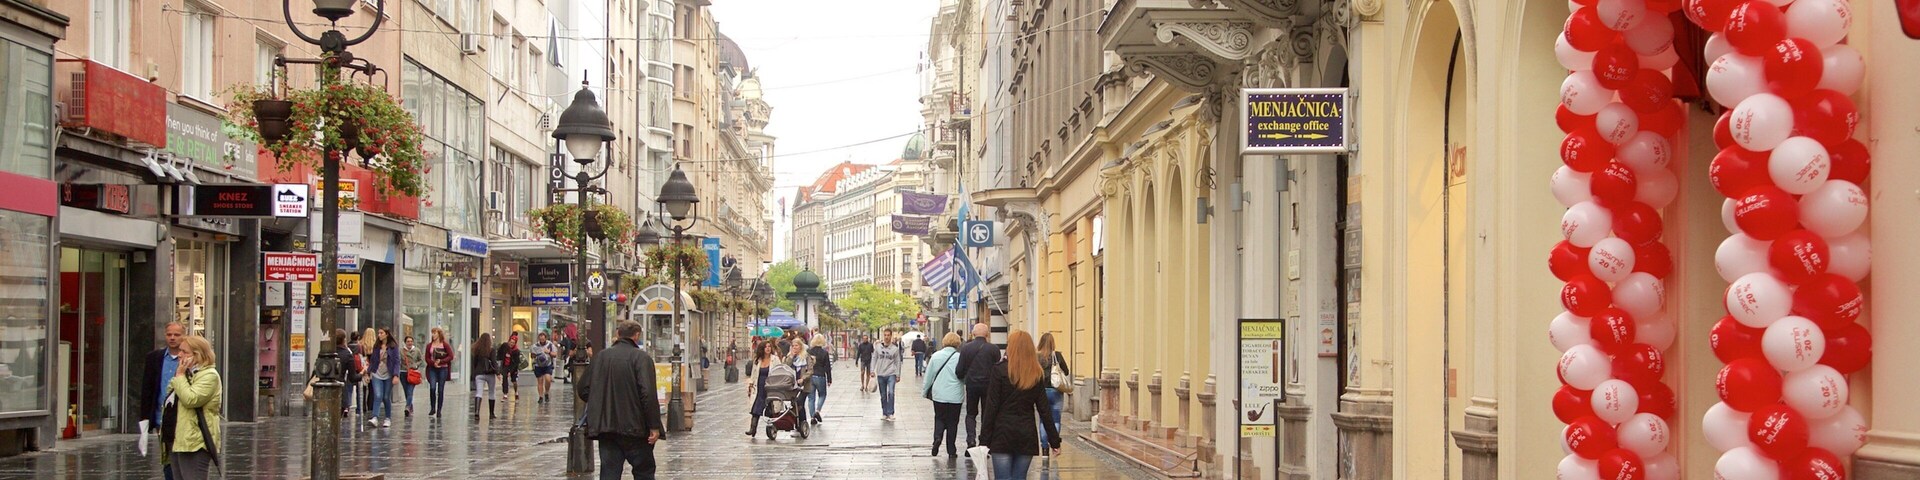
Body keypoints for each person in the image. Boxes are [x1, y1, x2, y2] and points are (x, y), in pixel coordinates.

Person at [578, 321, 666, 480]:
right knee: (643, 471)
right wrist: (654, 425)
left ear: (618, 334)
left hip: (606, 428)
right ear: (637, 336)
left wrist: (600, 400)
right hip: (636, 428)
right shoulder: (641, 358)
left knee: (609, 473)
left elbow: (583, 388)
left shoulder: (601, 357)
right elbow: (648, 393)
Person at [979, 330, 1062, 480]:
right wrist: (1054, 440)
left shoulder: (999, 370)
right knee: (1019, 477)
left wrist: (984, 440)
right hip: (1026, 434)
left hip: (1002, 433)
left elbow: (991, 407)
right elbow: (1044, 410)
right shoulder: (1035, 373)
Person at [162, 335, 223, 480]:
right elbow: (170, 391)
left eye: (184, 352)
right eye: (179, 351)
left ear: (198, 355)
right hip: (177, 438)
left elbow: (191, 399)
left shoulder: (209, 376)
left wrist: (180, 375)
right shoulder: (188, 373)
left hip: (194, 441)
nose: (179, 355)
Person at [141, 322, 186, 480]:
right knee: (167, 459)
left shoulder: (189, 358)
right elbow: (147, 388)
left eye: (176, 334)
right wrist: (146, 418)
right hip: (162, 417)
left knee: (181, 457)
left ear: (184, 336)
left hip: (183, 417)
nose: (172, 338)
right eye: (169, 334)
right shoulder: (154, 357)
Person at [922, 332, 966, 457]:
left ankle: (937, 438)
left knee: (939, 418)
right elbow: (963, 376)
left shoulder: (936, 356)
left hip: (939, 394)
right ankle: (951, 449)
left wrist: (925, 391)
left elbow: (929, 375)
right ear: (958, 343)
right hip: (955, 395)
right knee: (953, 422)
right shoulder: (960, 357)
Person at [955, 322, 997, 448]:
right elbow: (997, 369)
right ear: (987, 334)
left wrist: (963, 377)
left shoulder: (966, 348)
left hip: (972, 384)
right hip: (989, 385)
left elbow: (959, 370)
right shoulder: (994, 349)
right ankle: (985, 441)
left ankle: (971, 439)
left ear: (973, 334)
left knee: (971, 413)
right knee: (987, 413)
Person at [743, 341, 781, 438]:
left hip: (770, 386)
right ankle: (753, 429)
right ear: (762, 349)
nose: (768, 348)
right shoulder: (758, 360)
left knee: (771, 408)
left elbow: (779, 371)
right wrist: (750, 385)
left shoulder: (775, 359)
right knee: (757, 407)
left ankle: (772, 428)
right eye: (765, 347)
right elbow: (753, 374)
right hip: (759, 386)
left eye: (769, 346)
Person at [366, 328, 402, 428]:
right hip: (377, 373)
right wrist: (368, 373)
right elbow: (373, 360)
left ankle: (387, 418)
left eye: (381, 333)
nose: (379, 335)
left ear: (386, 334)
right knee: (377, 395)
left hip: (388, 375)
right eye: (379, 333)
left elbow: (396, 362)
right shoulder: (377, 346)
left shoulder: (393, 347)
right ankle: (375, 417)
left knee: (386, 397)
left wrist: (395, 375)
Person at [1036, 332, 1069, 435]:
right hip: (1056, 391)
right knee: (1055, 419)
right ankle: (1054, 444)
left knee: (1043, 420)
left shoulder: (1036, 356)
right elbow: (1066, 371)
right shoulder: (1057, 355)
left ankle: (1044, 447)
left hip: (1041, 392)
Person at [872, 330, 905, 421]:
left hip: (891, 373)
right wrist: (872, 370)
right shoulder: (878, 347)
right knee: (883, 395)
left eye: (888, 335)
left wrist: (898, 374)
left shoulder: (894, 349)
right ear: (883, 336)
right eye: (885, 335)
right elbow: (874, 358)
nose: (886, 337)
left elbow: (898, 362)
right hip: (881, 374)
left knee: (891, 392)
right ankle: (884, 412)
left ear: (891, 336)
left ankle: (890, 412)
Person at [425, 327, 454, 417]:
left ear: (439, 334)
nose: (433, 335)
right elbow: (427, 358)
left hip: (443, 368)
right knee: (432, 387)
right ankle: (432, 407)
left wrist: (441, 361)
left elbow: (451, 356)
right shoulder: (429, 345)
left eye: (435, 333)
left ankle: (439, 410)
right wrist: (433, 363)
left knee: (440, 389)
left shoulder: (445, 345)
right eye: (432, 333)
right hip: (433, 368)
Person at [471, 333, 499, 420]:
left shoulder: (476, 349)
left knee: (479, 392)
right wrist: (498, 372)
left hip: (479, 373)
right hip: (490, 373)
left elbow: (474, 362)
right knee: (491, 392)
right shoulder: (491, 350)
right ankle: (491, 413)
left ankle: (477, 412)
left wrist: (474, 373)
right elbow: (494, 362)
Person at [806, 335, 832, 424]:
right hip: (820, 375)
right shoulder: (824, 352)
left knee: (811, 398)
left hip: (810, 376)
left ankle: (812, 417)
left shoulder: (808, 351)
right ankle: (818, 411)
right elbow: (827, 367)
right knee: (822, 395)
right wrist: (829, 379)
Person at [787, 339, 813, 426]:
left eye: (796, 345)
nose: (794, 347)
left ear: (801, 346)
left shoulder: (806, 357)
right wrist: (791, 357)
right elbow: (785, 366)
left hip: (804, 386)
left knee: (799, 402)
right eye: (793, 346)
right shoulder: (790, 356)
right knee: (794, 404)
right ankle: (797, 423)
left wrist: (803, 378)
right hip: (792, 386)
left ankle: (802, 423)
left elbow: (810, 370)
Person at [532, 332, 558, 404]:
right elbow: (532, 356)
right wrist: (534, 354)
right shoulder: (535, 346)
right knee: (540, 381)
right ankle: (541, 396)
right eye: (540, 339)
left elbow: (555, 354)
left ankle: (546, 392)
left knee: (548, 379)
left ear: (545, 338)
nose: (542, 340)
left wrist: (549, 352)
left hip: (547, 365)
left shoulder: (550, 345)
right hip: (538, 365)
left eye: (543, 338)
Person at [401, 335, 423, 417]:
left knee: (410, 391)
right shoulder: (401, 351)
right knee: (406, 391)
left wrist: (416, 365)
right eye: (408, 341)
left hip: (413, 373)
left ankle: (407, 407)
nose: (409, 343)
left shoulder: (417, 350)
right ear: (405, 342)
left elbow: (421, 360)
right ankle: (410, 407)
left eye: (411, 341)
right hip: (403, 372)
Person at [499, 332, 523, 401]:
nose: (511, 344)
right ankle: (505, 394)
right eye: (510, 342)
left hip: (513, 367)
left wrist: (511, 371)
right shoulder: (505, 346)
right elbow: (500, 353)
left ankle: (516, 392)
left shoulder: (516, 351)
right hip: (505, 365)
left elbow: (516, 363)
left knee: (514, 381)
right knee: (505, 378)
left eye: (513, 343)